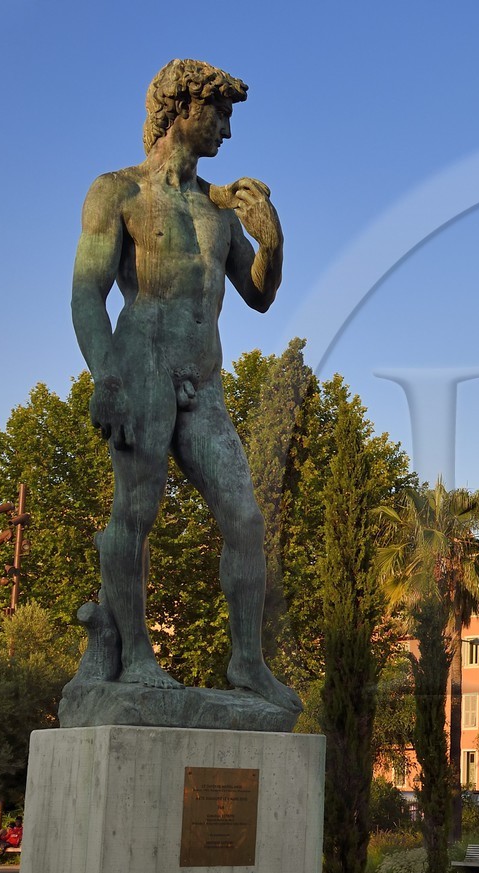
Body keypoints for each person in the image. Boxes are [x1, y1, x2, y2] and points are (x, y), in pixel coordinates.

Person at [69, 58, 298, 714]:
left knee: (246, 521)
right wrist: (105, 373)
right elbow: (88, 291)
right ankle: (135, 653)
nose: (227, 129)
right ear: (182, 110)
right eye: (219, 113)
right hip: (141, 368)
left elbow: (256, 295)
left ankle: (248, 661)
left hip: (205, 379)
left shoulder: (219, 209)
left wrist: (272, 243)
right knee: (135, 514)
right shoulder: (118, 192)